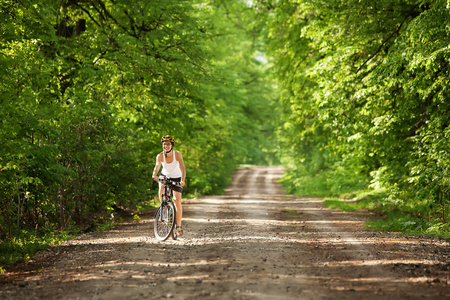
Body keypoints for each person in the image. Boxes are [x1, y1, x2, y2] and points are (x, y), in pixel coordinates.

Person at [152, 135, 186, 236]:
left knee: (177, 200)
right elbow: (157, 166)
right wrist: (154, 175)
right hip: (165, 176)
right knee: (161, 190)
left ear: (172, 145)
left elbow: (183, 168)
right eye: (164, 144)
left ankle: (178, 225)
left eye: (168, 144)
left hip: (176, 177)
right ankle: (164, 207)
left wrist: (182, 180)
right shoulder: (160, 156)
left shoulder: (177, 154)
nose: (165, 146)